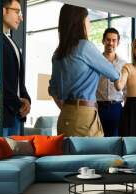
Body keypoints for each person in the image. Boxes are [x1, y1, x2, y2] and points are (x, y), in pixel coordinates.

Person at [48, 4, 119, 137]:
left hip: (65, 115)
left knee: (68, 156)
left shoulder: (58, 53)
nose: (90, 23)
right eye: (88, 19)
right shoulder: (85, 47)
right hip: (84, 115)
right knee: (93, 156)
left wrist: (68, 108)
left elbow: (53, 90)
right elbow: (113, 73)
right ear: (79, 22)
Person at [2, 0, 31, 136]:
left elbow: (19, 81)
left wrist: (27, 100)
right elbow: (1, 81)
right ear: (4, 10)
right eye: (17, 12)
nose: (21, 17)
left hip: (17, 115)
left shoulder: (12, 42)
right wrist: (18, 105)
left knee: (17, 156)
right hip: (5, 113)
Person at [96, 28, 127, 137]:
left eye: (114, 40)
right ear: (103, 41)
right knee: (98, 140)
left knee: (115, 140)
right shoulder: (95, 61)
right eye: (108, 40)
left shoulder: (124, 64)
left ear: (118, 43)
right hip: (98, 107)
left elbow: (126, 89)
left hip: (116, 108)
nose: (111, 43)